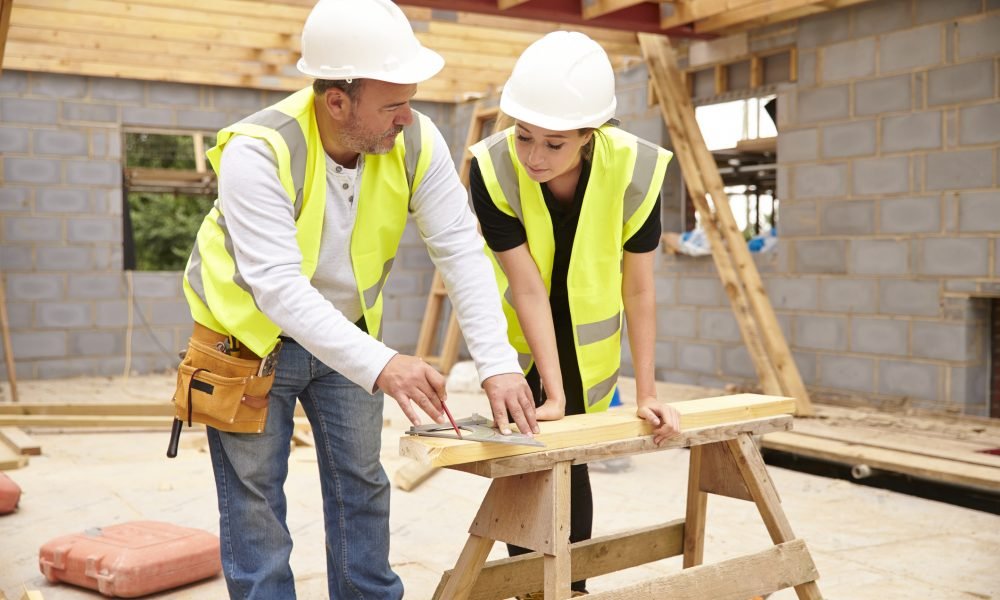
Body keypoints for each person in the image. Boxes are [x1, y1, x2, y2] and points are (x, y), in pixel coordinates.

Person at [181, 0, 538, 597]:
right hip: (245, 342)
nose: (407, 117)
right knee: (255, 502)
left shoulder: (415, 140)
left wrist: (498, 364)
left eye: (411, 100)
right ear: (337, 101)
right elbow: (277, 287)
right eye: (393, 104)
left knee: (362, 485)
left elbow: (460, 249)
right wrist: (384, 365)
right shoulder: (258, 150)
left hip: (346, 334)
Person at [468, 31, 682, 596]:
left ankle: (570, 588)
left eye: (555, 143)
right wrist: (552, 394)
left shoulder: (636, 170)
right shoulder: (492, 170)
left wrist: (648, 394)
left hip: (592, 348)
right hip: (521, 340)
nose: (534, 156)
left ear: (591, 135)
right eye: (524, 136)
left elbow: (638, 290)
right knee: (531, 459)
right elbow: (528, 288)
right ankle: (534, 588)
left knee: (574, 462)